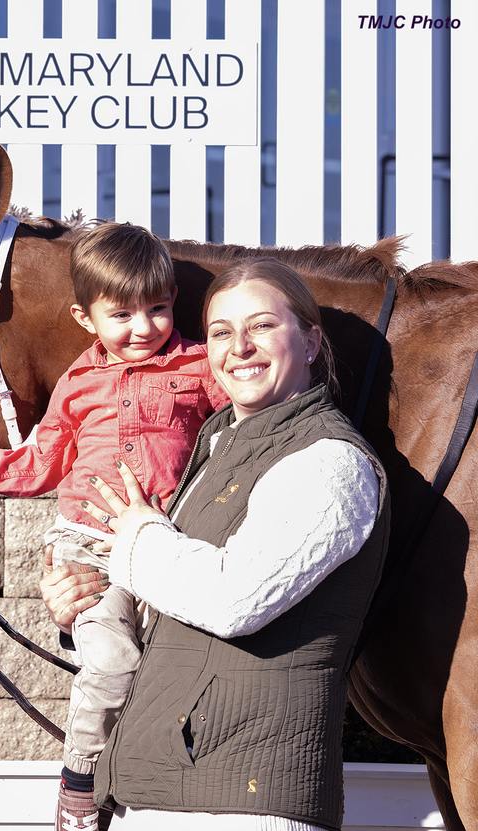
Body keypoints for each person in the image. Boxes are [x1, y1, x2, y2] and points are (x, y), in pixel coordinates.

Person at [43, 258, 390, 830]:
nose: (240, 348)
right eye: (222, 333)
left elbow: (236, 598)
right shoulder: (218, 448)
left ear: (309, 341)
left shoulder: (330, 461)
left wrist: (136, 537)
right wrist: (81, 597)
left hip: (243, 803)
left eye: (262, 327)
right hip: (163, 788)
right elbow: (170, 600)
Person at [0, 223, 228, 831]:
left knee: (169, 673)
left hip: (166, 544)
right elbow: (46, 458)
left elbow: (241, 434)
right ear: (85, 317)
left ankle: (145, 787)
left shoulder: (201, 368)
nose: (143, 327)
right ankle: (80, 780)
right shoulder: (77, 384)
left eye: (157, 309)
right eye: (121, 314)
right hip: (88, 547)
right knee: (113, 662)